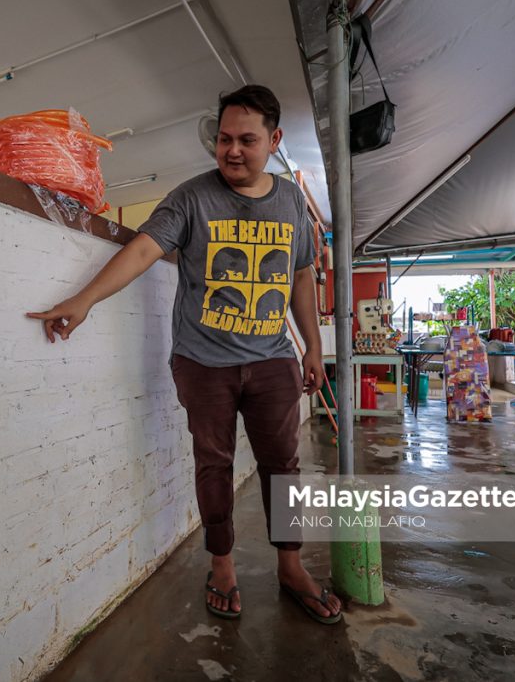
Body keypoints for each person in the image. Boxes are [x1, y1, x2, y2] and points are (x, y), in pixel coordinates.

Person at [27, 85, 341, 623]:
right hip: (203, 363)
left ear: (274, 140)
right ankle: (222, 566)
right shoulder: (192, 197)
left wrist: (312, 345)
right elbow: (145, 249)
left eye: (247, 139)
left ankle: (291, 566)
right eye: (224, 139)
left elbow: (302, 271)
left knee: (283, 467)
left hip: (272, 360)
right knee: (213, 465)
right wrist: (85, 300)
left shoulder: (290, 199)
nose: (233, 151)